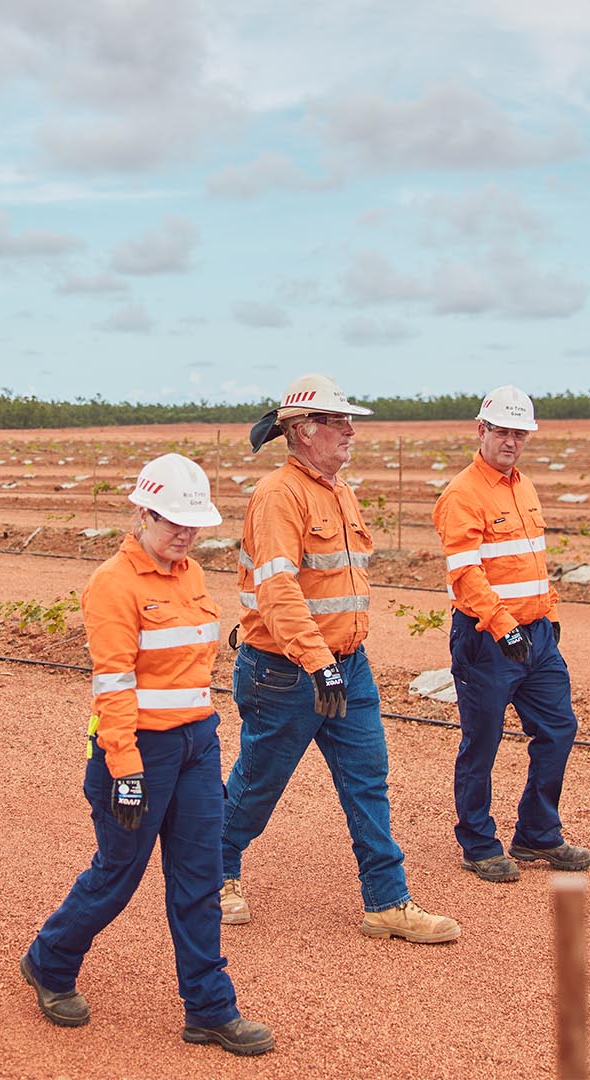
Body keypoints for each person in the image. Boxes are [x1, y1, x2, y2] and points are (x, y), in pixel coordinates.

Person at [22, 453, 274, 1056]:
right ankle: (49, 962)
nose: (184, 535)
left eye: (192, 525)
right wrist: (126, 771)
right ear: (141, 513)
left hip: (196, 744)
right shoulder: (113, 585)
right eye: (171, 523)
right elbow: (113, 685)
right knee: (118, 875)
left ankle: (211, 1010)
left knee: (201, 878)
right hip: (136, 752)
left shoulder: (189, 575)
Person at [220, 373, 461, 943]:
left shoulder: (339, 490)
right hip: (285, 671)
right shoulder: (279, 496)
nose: (350, 430)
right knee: (258, 785)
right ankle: (212, 873)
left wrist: (335, 662)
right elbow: (278, 590)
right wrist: (316, 661)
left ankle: (387, 901)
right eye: (338, 421)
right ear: (304, 432)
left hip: (348, 665)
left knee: (367, 780)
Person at [432, 385, 590, 883]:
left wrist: (547, 613)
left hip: (539, 636)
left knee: (558, 728)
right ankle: (479, 842)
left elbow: (531, 564)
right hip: (487, 639)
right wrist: (503, 627)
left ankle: (536, 834)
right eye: (502, 431)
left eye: (519, 434)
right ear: (481, 431)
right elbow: (465, 572)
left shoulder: (524, 486)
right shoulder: (462, 494)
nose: (511, 441)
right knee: (481, 742)